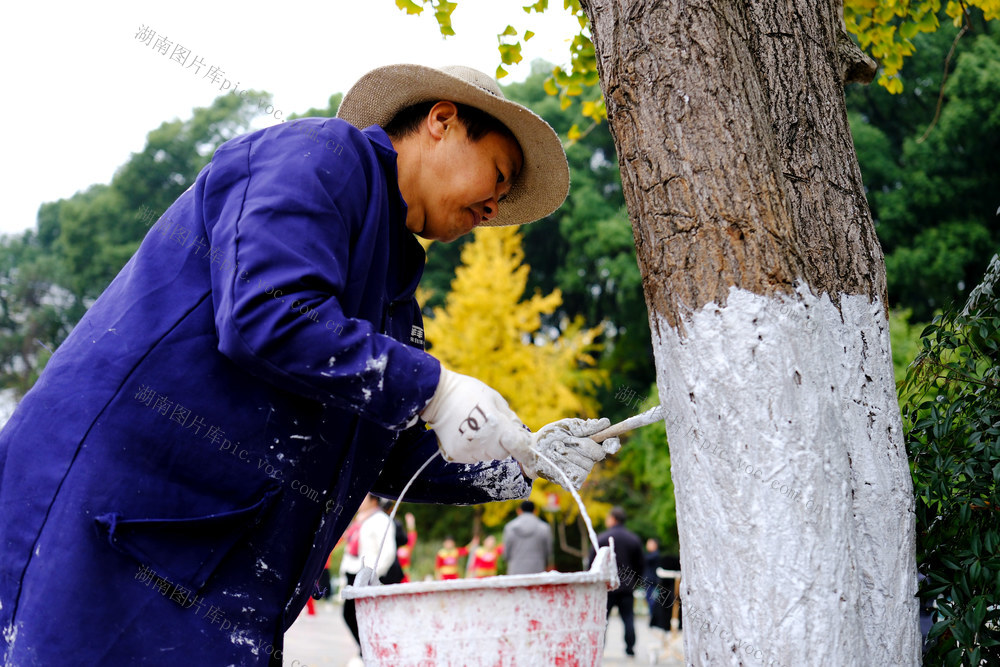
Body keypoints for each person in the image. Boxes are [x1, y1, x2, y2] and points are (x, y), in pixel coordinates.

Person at [0, 64, 620, 665]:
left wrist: (518, 461)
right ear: (442, 120)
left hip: (221, 574)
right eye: (499, 173)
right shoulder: (321, 156)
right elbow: (267, 315)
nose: (494, 207)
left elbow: (382, 449)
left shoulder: (397, 291)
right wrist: (434, 386)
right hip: (111, 529)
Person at [340, 495, 397, 647]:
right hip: (353, 572)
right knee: (350, 615)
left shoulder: (381, 520)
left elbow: (388, 552)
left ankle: (370, 650)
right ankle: (366, 650)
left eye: (364, 497)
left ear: (373, 500)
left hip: (367, 576)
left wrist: (373, 575)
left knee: (362, 616)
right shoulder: (360, 519)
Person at [590, 506, 645, 657]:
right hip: (627, 585)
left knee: (602, 618)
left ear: (613, 519)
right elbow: (640, 563)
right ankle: (630, 648)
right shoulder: (633, 539)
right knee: (628, 618)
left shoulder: (602, 538)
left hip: (606, 584)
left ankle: (599, 647)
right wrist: (635, 581)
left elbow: (592, 562)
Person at [502, 500, 553, 575]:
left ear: (519, 511)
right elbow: (548, 551)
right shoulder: (544, 527)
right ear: (535, 511)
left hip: (515, 569)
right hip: (537, 569)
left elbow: (506, 552)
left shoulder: (510, 527)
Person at [396, 512, 418, 583]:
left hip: (405, 578)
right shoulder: (391, 545)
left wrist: (411, 523)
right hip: (393, 577)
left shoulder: (407, 546)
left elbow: (412, 535)